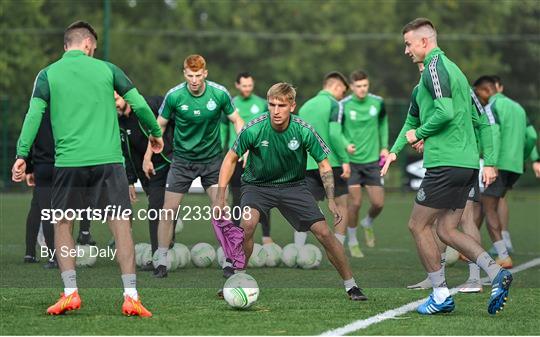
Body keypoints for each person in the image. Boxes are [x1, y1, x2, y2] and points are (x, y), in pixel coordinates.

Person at [12, 21, 162, 317]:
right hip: (108, 161)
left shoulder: (47, 74)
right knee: (120, 224)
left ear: (66, 46)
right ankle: (131, 296)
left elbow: (33, 115)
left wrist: (21, 154)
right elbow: (139, 103)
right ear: (89, 46)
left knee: (63, 224)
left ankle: (70, 293)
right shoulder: (108, 69)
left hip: (68, 163)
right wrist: (155, 132)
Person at [381, 18, 512, 315]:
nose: (406, 51)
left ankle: (440, 295)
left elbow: (444, 112)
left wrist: (422, 133)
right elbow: (479, 122)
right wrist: (394, 151)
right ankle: (496, 273)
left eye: (408, 44)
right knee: (446, 229)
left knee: (417, 224)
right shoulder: (455, 75)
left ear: (424, 42)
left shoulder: (434, 67)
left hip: (446, 163)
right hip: (465, 165)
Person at [215, 82, 367, 300]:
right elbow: (230, 159)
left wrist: (331, 199)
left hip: (293, 187)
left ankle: (351, 285)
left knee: (324, 233)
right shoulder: (254, 128)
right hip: (257, 186)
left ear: (292, 106)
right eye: (272, 105)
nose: (276, 111)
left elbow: (323, 163)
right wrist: (221, 196)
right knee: (247, 226)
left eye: (281, 106)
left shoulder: (303, 130)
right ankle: (237, 278)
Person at [152, 54, 244, 278]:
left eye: (198, 75)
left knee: (221, 208)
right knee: (168, 210)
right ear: (185, 74)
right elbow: (159, 126)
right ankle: (161, 261)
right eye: (190, 75)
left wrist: (244, 145)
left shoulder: (219, 93)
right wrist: (148, 155)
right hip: (182, 161)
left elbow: (237, 120)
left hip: (212, 161)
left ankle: (228, 259)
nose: (194, 79)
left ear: (205, 73)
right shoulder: (174, 95)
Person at [474, 75, 538, 269]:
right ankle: (466, 247)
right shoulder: (518, 107)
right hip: (515, 166)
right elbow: (532, 136)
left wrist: (491, 163)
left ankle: (503, 255)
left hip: (498, 165)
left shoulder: (491, 107)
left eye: (479, 94)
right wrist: (524, 156)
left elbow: (494, 134)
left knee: (488, 207)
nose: (479, 98)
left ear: (486, 91)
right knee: (486, 202)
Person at [116, 92, 174, 269]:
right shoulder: (118, 123)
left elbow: (168, 120)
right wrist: (130, 180)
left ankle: (161, 254)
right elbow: (126, 153)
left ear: (124, 97)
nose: (115, 105)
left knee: (160, 208)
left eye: (116, 100)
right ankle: (162, 252)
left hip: (169, 161)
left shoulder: (145, 107)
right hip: (148, 172)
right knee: (156, 208)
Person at [298, 71, 350, 248]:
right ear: (336, 87)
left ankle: (298, 248)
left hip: (307, 164)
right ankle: (339, 248)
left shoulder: (305, 106)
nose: (343, 96)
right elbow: (335, 134)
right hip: (331, 163)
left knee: (305, 207)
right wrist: (345, 159)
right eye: (343, 92)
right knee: (342, 204)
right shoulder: (334, 104)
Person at [220, 72, 273, 243]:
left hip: (258, 157)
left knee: (264, 195)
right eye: (244, 86)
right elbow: (223, 129)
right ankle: (236, 236)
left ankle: (266, 236)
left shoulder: (262, 104)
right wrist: (223, 151)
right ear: (237, 85)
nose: (247, 89)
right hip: (236, 157)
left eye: (250, 85)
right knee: (237, 197)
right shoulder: (231, 104)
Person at [341, 70, 388, 255]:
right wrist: (345, 144)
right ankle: (352, 241)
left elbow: (383, 123)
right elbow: (336, 129)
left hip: (372, 161)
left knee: (378, 203)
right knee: (356, 203)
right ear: (351, 87)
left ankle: (367, 222)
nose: (362, 89)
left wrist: (384, 147)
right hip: (351, 162)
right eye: (358, 86)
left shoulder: (378, 102)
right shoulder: (343, 105)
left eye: (365, 86)